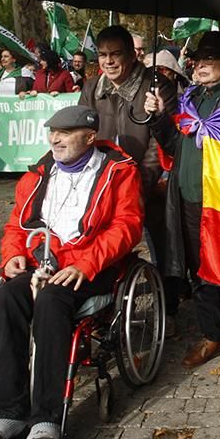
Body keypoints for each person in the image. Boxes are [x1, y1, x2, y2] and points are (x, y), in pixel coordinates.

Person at [0, 105, 142, 439]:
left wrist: (85, 264)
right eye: (52, 131)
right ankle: (8, 410)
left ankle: (46, 416)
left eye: (65, 133)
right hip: (41, 262)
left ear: (90, 137)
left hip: (90, 265)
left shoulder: (118, 171)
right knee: (7, 300)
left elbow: (126, 227)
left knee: (51, 301)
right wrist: (12, 255)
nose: (55, 138)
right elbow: (15, 226)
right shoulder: (38, 173)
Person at [144, 33, 220, 374]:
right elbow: (175, 145)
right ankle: (211, 335)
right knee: (198, 272)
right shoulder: (190, 99)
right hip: (187, 199)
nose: (201, 65)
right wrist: (160, 116)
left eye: (209, 59)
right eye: (197, 59)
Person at [79, 26, 178, 320]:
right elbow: (86, 134)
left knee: (162, 247)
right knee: (107, 249)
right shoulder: (92, 88)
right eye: (102, 55)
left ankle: (169, 310)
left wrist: (139, 185)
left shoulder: (158, 86)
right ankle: (108, 311)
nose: (108, 61)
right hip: (107, 186)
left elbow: (160, 145)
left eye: (116, 54)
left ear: (132, 56)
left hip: (150, 185)